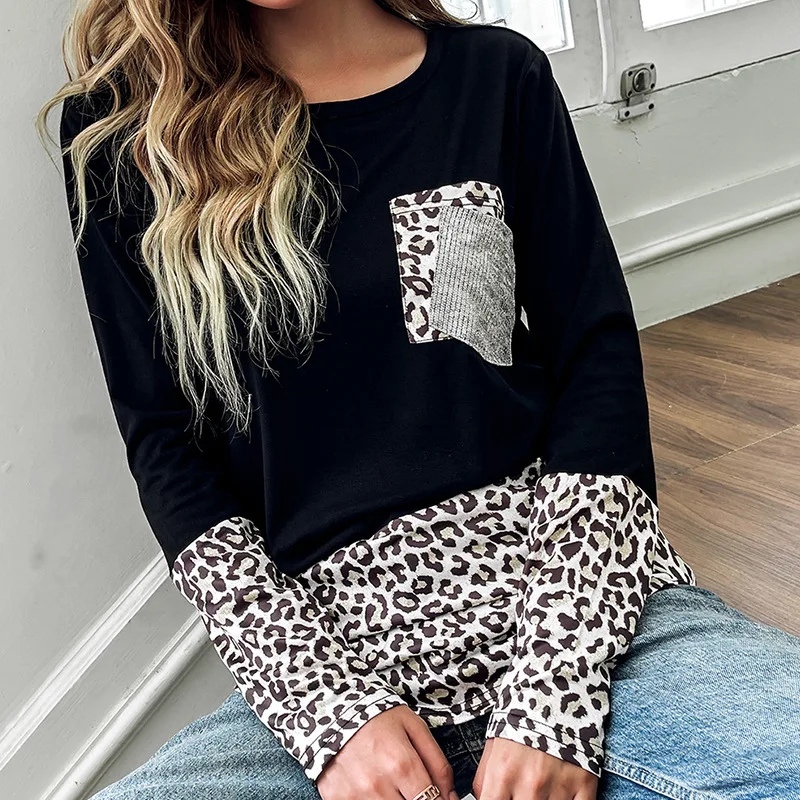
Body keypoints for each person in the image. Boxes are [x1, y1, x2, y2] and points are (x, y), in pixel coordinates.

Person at [38, 0, 800, 798]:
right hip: (327, 650)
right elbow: (164, 444)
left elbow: (594, 361)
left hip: (562, 599)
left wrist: (557, 678)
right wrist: (326, 711)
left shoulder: (495, 77)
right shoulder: (125, 134)